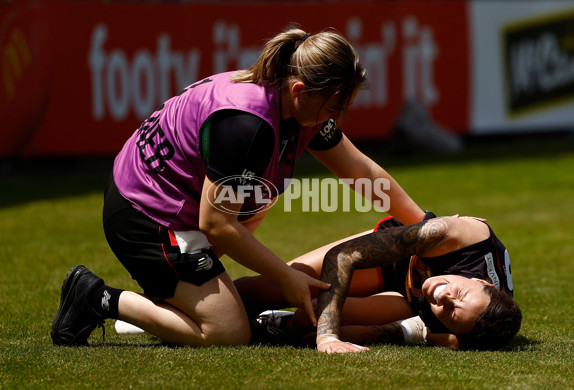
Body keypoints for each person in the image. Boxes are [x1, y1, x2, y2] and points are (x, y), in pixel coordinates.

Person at [50, 27, 428, 348]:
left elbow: (360, 171)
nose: (338, 118)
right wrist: (285, 276)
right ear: (300, 90)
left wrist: (426, 226)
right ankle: (96, 297)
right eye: (334, 108)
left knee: (256, 198)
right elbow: (217, 225)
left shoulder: (293, 105)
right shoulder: (248, 128)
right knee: (227, 332)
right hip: (143, 214)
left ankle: (177, 301)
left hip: (169, 202)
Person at [235, 215, 521, 352]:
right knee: (258, 291)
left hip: (409, 299)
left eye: (448, 312)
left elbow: (450, 339)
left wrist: (381, 333)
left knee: (307, 319)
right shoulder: (456, 237)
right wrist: (329, 337)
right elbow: (344, 257)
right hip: (395, 256)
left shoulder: (479, 327)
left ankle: (277, 324)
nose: (441, 296)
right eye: (458, 292)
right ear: (484, 282)